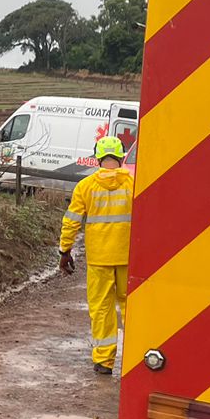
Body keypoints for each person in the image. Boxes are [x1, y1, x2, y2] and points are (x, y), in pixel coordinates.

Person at [58, 135, 133, 375]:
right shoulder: (134, 184)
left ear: (98, 157)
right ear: (121, 157)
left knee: (101, 308)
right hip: (129, 257)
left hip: (99, 258)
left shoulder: (86, 186)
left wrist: (64, 251)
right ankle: (135, 359)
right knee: (132, 307)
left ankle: (104, 361)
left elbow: (71, 222)